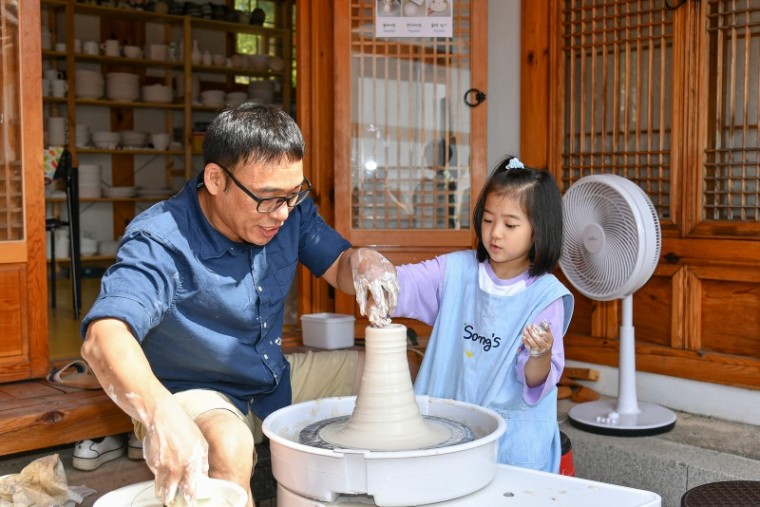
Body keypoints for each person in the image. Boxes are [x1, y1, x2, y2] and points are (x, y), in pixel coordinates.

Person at [80, 103, 398, 506]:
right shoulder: (161, 240)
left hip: (270, 376)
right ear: (216, 179)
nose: (282, 213)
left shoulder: (288, 209)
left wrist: (364, 262)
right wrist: (161, 415)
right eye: (267, 199)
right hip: (194, 391)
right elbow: (104, 334)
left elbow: (337, 265)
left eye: (292, 194)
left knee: (394, 366)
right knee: (229, 444)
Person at [391, 156, 574, 473]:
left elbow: (533, 379)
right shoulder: (456, 271)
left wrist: (541, 353)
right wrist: (371, 270)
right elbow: (401, 284)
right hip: (446, 433)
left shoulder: (545, 296)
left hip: (512, 446)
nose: (495, 233)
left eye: (510, 224)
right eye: (488, 220)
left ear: (538, 231)